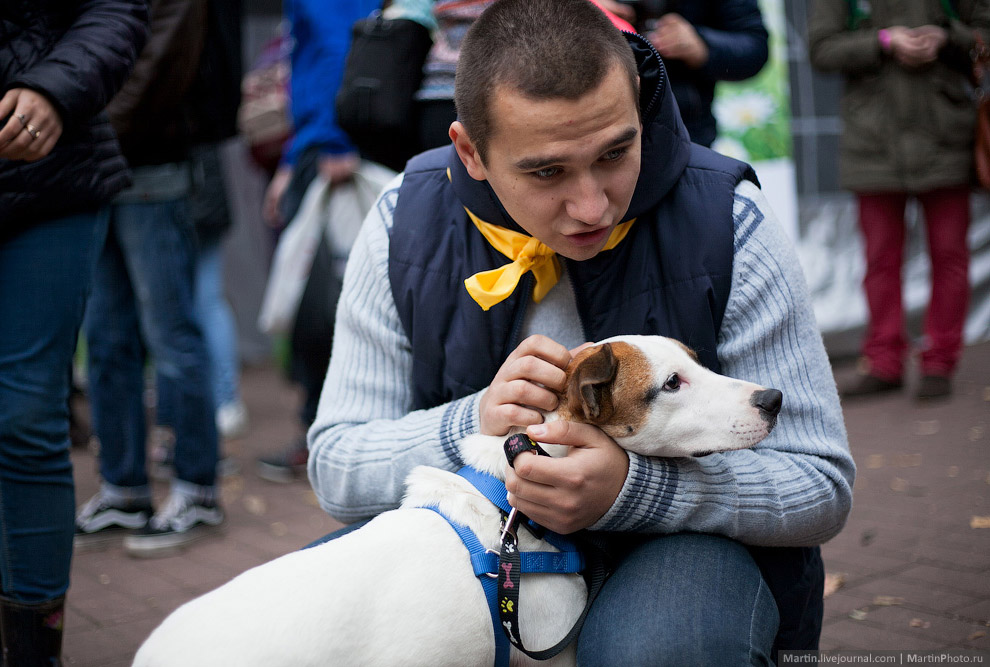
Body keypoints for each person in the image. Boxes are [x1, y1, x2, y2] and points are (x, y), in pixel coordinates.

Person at [308, 0, 855, 661]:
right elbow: (336, 467)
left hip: (690, 549)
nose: (592, 204)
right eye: (547, 171)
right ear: (471, 152)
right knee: (309, 618)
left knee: (659, 648)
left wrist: (633, 489)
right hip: (487, 542)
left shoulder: (727, 217)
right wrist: (472, 420)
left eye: (616, 151)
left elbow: (820, 484)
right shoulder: (405, 219)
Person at [0, 1, 147, 661]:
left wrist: (53, 87)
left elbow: (116, 8)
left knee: (26, 411)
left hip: (43, 175)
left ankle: (35, 643)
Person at [74, 0, 224, 558]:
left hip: (151, 167)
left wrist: (82, 131)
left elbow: (163, 58)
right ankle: (123, 488)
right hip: (95, 170)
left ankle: (197, 488)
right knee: (107, 338)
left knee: (170, 337)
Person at [809, 0, 990, 400]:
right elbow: (820, 49)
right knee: (881, 259)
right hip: (873, 140)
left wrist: (947, 38)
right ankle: (885, 363)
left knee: (949, 256)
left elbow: (984, 32)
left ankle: (940, 362)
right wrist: (883, 41)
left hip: (947, 134)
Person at [255, 0, 380, 483]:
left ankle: (323, 438)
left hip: (334, 148)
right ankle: (323, 434)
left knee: (324, 303)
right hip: (318, 143)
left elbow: (336, 48)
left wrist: (333, 140)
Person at [601, 0, 769, 148]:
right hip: (598, 132)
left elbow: (754, 47)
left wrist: (700, 44)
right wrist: (586, 13)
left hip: (685, 134)